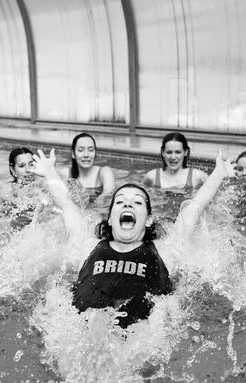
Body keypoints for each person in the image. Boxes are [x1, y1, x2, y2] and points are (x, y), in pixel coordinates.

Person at [31, 147, 235, 328]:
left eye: (137, 203)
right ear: (110, 218)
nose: (127, 205)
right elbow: (67, 206)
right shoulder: (87, 246)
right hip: (82, 334)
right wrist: (49, 171)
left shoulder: (166, 250)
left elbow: (194, 208)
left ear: (148, 220)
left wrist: (219, 173)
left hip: (140, 339)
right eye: (120, 202)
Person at [142, 132, 208, 191]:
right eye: (169, 152)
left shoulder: (198, 176)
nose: (173, 157)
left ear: (186, 152)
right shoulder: (151, 176)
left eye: (178, 152)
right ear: (163, 152)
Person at [59, 132, 115, 198]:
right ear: (73, 154)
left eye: (90, 150)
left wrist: (99, 201)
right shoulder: (66, 174)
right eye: (80, 150)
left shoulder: (104, 172)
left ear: (95, 153)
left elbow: (108, 192)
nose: (86, 155)